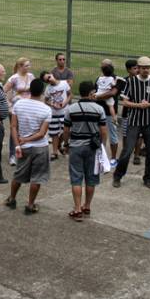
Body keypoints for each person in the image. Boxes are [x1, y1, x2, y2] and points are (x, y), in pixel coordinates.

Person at [62, 81, 108, 222]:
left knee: (76, 178)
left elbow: (66, 130)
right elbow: (103, 130)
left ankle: (77, 209)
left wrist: (66, 144)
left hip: (76, 146)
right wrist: (102, 146)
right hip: (93, 148)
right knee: (91, 178)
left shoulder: (71, 109)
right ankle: (87, 206)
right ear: (90, 93)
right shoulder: (99, 109)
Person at [4, 79, 52, 215]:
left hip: (23, 147)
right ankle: (30, 204)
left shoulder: (19, 104)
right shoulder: (47, 109)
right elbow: (42, 134)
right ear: (42, 91)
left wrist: (18, 143)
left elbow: (13, 126)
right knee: (37, 177)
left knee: (18, 174)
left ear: (29, 90)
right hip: (40, 148)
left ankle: (12, 198)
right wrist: (28, 139)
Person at [115, 56, 150, 189]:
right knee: (127, 150)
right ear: (139, 68)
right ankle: (118, 175)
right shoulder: (131, 82)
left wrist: (149, 104)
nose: (146, 70)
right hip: (134, 121)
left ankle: (148, 178)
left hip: (149, 121)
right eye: (143, 68)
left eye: (148, 68)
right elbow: (124, 101)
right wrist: (138, 105)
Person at [4, 58, 35, 165]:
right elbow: (3, 91)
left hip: (28, 108)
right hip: (15, 109)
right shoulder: (14, 78)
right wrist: (9, 104)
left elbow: (35, 90)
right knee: (15, 131)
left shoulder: (31, 76)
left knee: (27, 130)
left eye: (29, 65)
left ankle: (25, 152)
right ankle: (13, 155)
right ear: (20, 66)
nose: (28, 67)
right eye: (26, 65)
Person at [94, 60, 120, 165]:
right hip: (100, 110)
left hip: (107, 111)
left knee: (113, 135)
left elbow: (112, 93)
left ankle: (113, 158)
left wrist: (98, 96)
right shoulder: (100, 79)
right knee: (99, 134)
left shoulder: (117, 79)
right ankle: (100, 157)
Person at [41, 71, 71, 159]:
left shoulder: (64, 83)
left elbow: (69, 95)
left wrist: (65, 103)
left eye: (49, 76)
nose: (49, 80)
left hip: (64, 112)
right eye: (47, 80)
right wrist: (52, 104)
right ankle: (55, 152)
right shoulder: (48, 88)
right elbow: (46, 100)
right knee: (54, 133)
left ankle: (60, 145)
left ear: (52, 74)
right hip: (54, 113)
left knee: (67, 131)